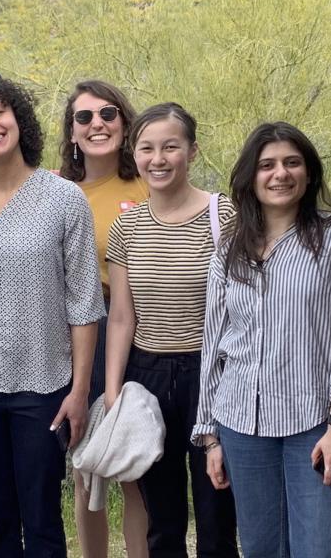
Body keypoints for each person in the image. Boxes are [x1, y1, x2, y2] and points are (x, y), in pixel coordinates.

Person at [194, 121, 331, 557]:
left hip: (316, 423)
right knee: (260, 549)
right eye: (267, 165)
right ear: (250, 177)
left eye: (292, 162)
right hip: (241, 424)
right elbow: (214, 343)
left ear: (309, 173)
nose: (280, 173)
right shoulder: (229, 249)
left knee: (323, 548)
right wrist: (210, 436)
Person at [0, 73, 103, 558]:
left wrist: (78, 392)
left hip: (43, 388)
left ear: (18, 119)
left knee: (43, 522)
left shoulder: (63, 198)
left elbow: (85, 306)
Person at [105, 102, 239, 558]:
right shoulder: (128, 226)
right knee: (161, 520)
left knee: (217, 511)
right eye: (146, 148)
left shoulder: (226, 218)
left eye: (170, 147)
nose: (157, 159)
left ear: (192, 151)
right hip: (147, 377)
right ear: (134, 153)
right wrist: (112, 392)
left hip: (213, 374)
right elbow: (122, 317)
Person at [58, 80, 150, 558]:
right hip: (81, 341)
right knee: (85, 466)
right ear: (71, 132)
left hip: (147, 337)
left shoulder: (150, 182)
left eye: (109, 114)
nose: (97, 124)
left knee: (135, 469)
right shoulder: (56, 193)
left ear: (125, 123)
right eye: (85, 117)